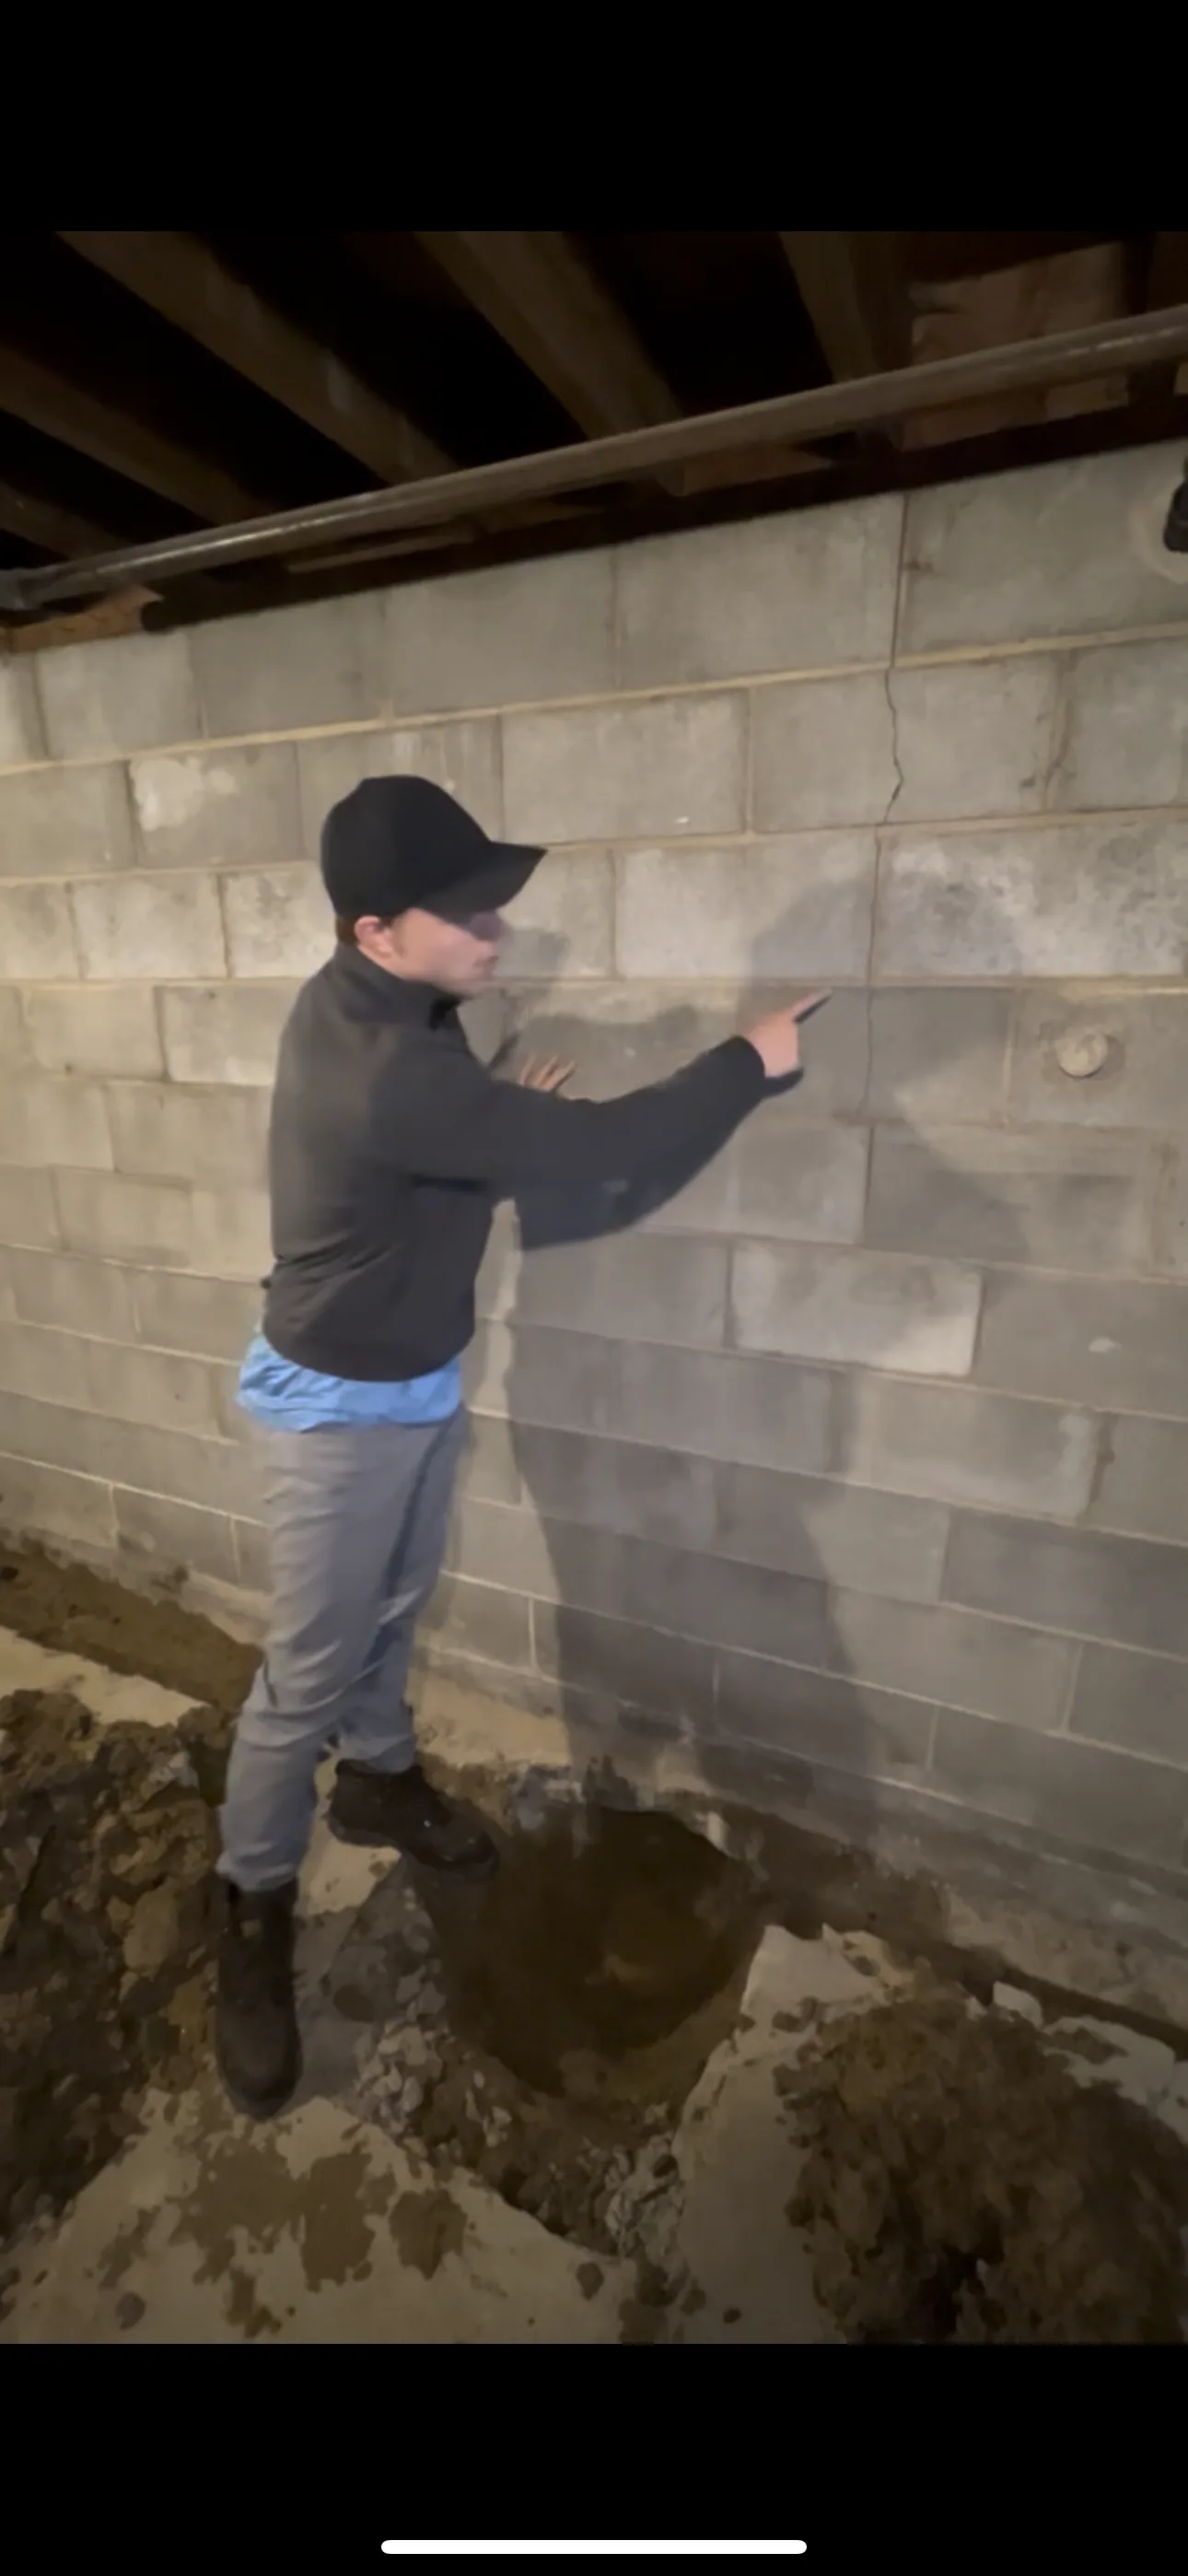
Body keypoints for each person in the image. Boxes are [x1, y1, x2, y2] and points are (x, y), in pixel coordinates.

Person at [215, 773, 827, 2119]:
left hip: (416, 1375)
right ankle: (250, 1913)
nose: (494, 927)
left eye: (490, 899)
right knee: (301, 1675)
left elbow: (427, 1149)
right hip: (337, 1405)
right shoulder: (394, 1071)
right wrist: (749, 1058)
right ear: (374, 931)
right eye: (462, 910)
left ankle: (376, 1787)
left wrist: (485, 1114)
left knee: (392, 1606)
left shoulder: (388, 1020)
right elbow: (611, 1140)